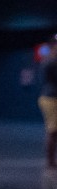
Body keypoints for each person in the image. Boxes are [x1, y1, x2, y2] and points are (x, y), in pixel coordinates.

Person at [39, 34, 57, 169]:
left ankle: (51, 161)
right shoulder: (51, 61)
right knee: (52, 131)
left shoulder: (48, 60)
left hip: (49, 97)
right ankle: (50, 162)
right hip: (51, 99)